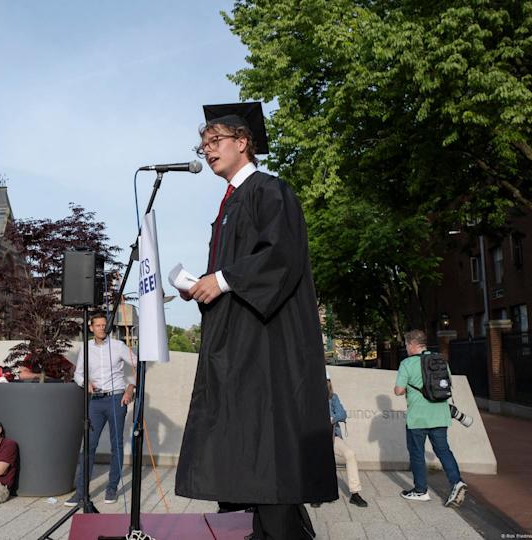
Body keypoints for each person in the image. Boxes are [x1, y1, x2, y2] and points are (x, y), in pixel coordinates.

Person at [174, 102, 336, 539]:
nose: (207, 151)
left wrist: (223, 280)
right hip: (235, 343)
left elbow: (281, 255)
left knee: (268, 452)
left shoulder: (269, 191)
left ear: (243, 143)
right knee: (238, 448)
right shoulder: (227, 205)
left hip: (265, 345)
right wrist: (201, 287)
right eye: (203, 144)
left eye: (215, 141)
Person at [65, 312, 136, 506]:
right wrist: (85, 382)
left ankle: (111, 488)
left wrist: (130, 388)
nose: (102, 328)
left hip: (116, 399)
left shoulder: (118, 346)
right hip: (95, 401)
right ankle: (81, 492)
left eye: (104, 325)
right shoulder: (86, 348)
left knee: (117, 445)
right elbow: (78, 374)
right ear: (91, 327)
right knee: (89, 445)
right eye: (98, 325)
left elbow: (140, 366)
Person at [394, 329, 467, 507]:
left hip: (418, 418)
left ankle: (420, 491)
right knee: (443, 450)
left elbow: (398, 391)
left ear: (412, 344)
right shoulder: (440, 359)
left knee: (417, 454)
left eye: (406, 344)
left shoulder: (407, 363)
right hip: (440, 415)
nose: (405, 348)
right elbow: (447, 383)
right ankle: (457, 482)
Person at [325, 372, 367, 508]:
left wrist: (332, 419)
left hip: (332, 437)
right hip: (315, 438)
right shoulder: (309, 398)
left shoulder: (333, 397)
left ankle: (355, 493)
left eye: (326, 381)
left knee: (350, 454)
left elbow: (343, 414)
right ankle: (317, 494)